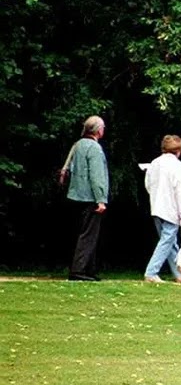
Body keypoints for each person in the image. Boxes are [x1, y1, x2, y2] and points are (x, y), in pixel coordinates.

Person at [62, 115, 109, 281]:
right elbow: (96, 176)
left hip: (75, 195)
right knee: (89, 235)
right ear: (98, 130)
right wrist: (101, 199)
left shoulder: (78, 145)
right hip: (90, 197)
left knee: (82, 233)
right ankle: (79, 271)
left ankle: (89, 270)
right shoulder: (94, 148)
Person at [142, 135, 181, 284]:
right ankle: (151, 272)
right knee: (166, 241)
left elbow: (148, 185)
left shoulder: (154, 163)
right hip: (172, 209)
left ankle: (179, 275)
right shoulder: (177, 166)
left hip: (156, 207)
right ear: (178, 151)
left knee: (170, 243)